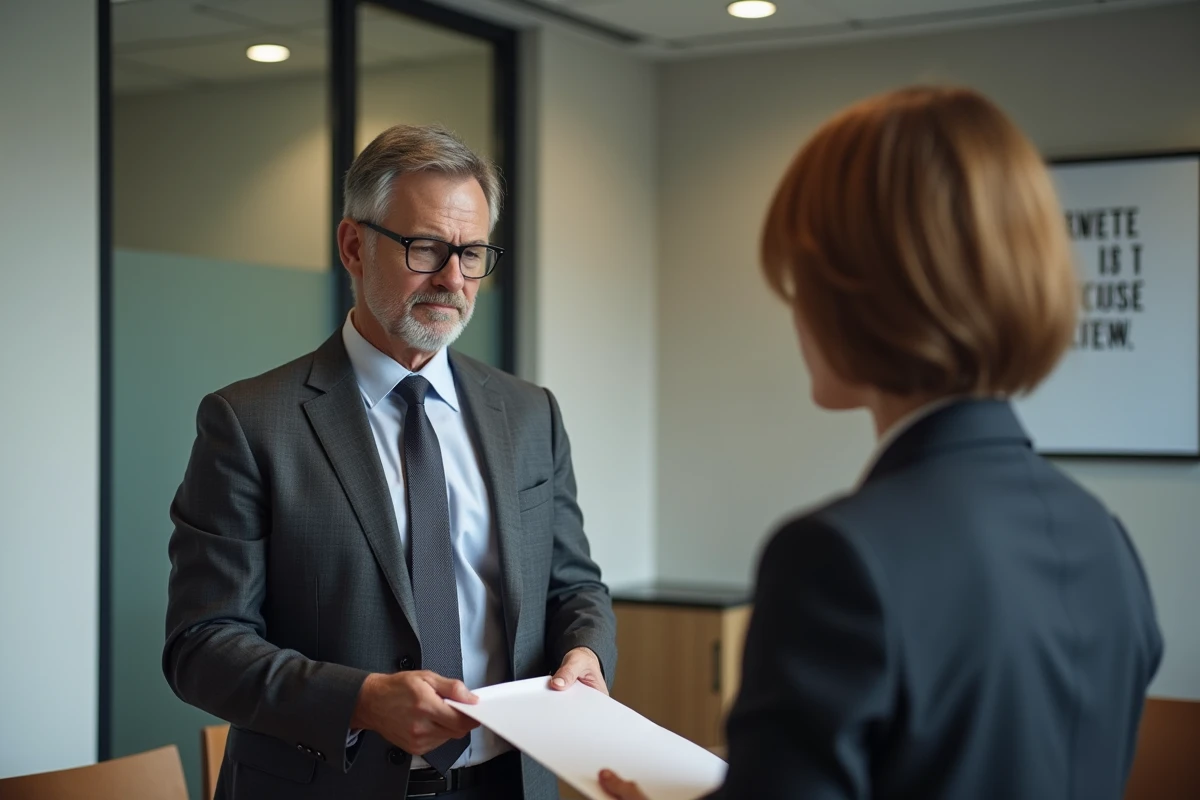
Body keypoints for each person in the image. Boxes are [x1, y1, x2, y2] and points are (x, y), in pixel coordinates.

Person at [599, 86, 1162, 800]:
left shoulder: (837, 560)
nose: (795, 311)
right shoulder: (1104, 539)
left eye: (801, 280)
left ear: (857, 294)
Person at [164, 124, 616, 800]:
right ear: (353, 246)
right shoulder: (249, 422)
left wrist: (586, 649)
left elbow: (573, 584)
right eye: (425, 247)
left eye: (471, 253)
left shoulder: (529, 414)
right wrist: (361, 700)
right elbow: (201, 644)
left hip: (509, 782)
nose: (452, 279)